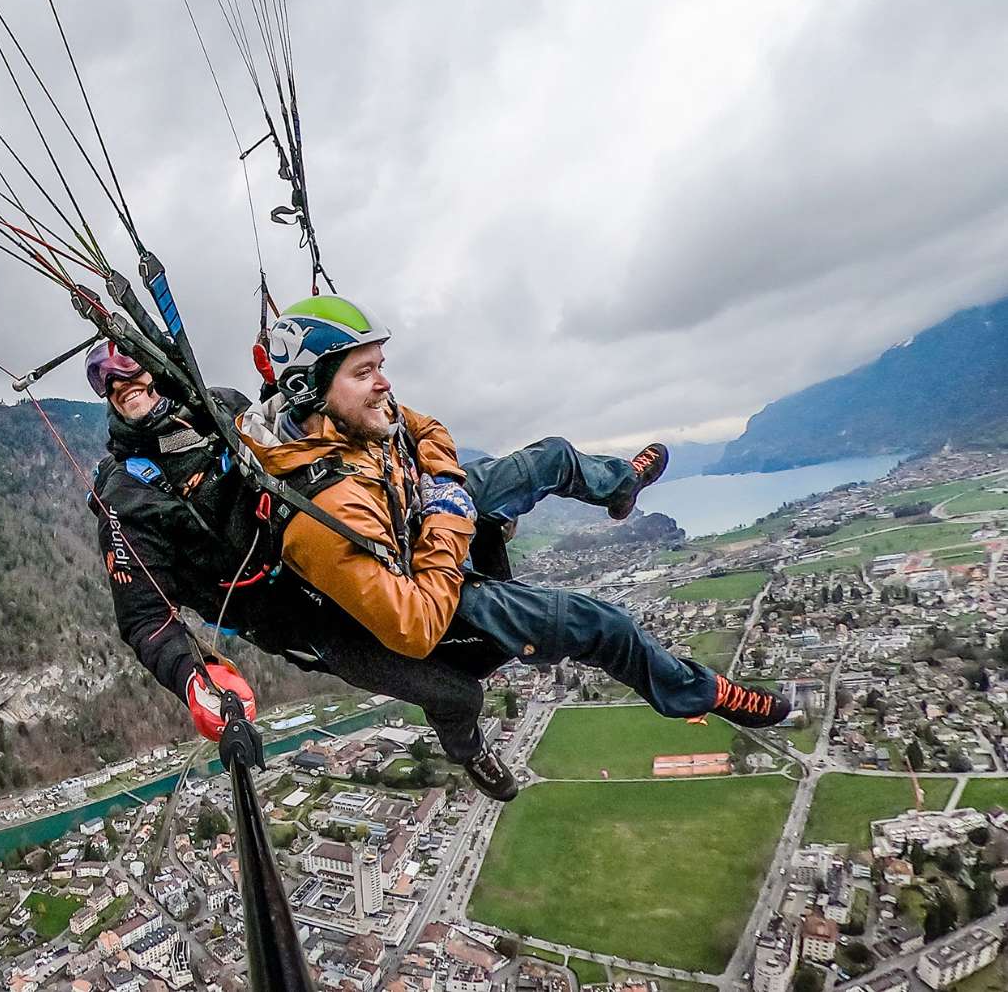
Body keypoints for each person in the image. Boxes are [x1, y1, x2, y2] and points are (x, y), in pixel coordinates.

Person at [89, 333, 665, 800]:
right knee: (456, 692)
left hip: (360, 528)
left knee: (537, 468)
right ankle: (469, 750)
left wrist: (292, 377)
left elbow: (291, 428)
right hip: (308, 618)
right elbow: (145, 618)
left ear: (161, 371)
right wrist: (195, 680)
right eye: (109, 383)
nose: (122, 385)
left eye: (132, 371)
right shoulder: (127, 496)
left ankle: (620, 485)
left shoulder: (223, 408)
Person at [239, 294, 789, 733]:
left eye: (380, 366)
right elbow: (416, 626)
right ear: (308, 389)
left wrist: (444, 482)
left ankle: (620, 487)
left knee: (550, 457)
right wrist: (451, 515)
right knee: (601, 624)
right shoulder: (319, 513)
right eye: (364, 372)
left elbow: (426, 429)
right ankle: (696, 692)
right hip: (429, 576)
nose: (383, 383)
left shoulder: (355, 416)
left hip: (421, 502)